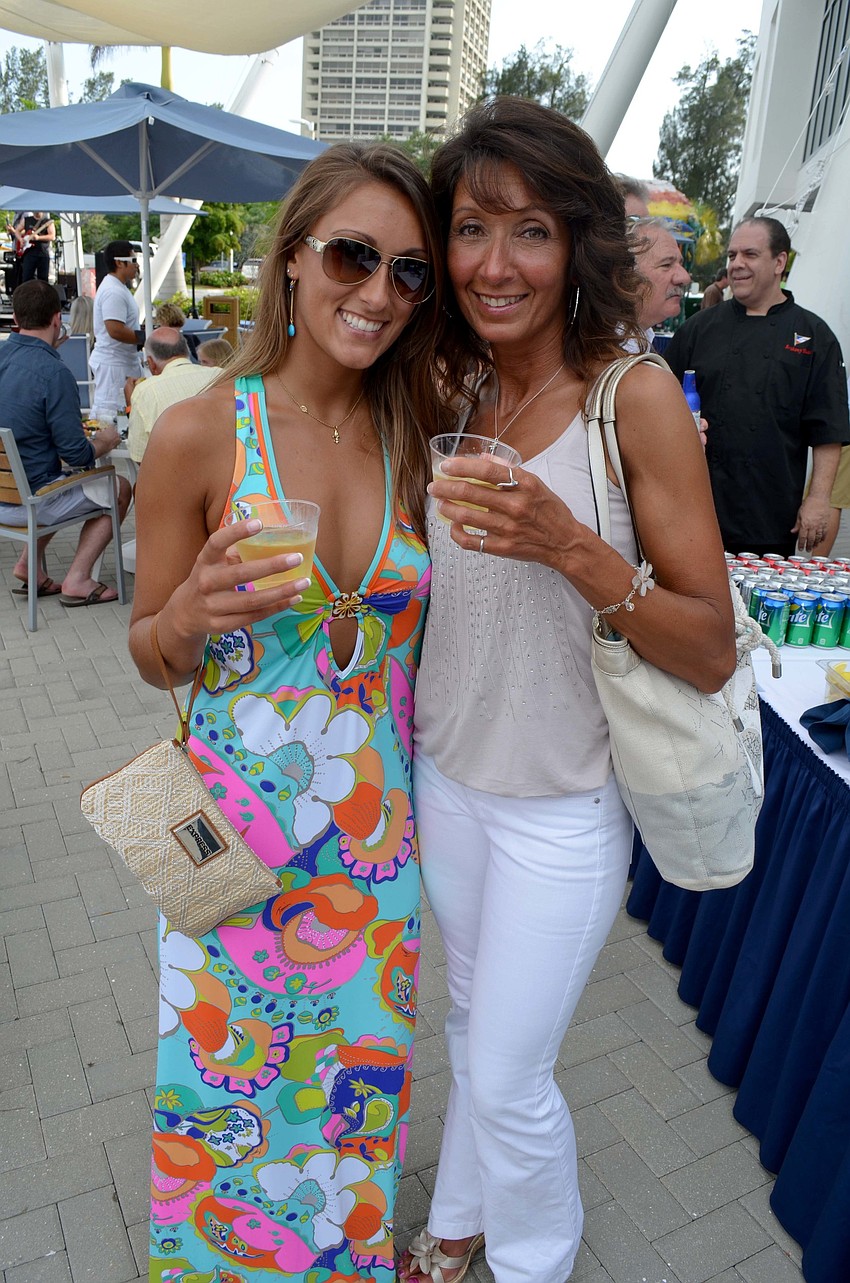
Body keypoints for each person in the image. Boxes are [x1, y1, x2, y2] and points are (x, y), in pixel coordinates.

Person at [402, 97, 735, 1283]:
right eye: (473, 228)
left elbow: (708, 646)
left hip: (562, 804)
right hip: (446, 775)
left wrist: (570, 545)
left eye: (531, 231)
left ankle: (533, 1258)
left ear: (578, 245)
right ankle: (454, 1220)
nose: (497, 264)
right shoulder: (450, 390)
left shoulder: (628, 398)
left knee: (507, 1070)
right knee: (467, 1024)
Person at [127, 142, 451, 1282]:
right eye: (353, 256)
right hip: (232, 849)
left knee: (352, 1122)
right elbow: (150, 655)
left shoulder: (416, 434)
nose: (376, 293)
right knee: (225, 1103)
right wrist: (190, 615)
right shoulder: (203, 431)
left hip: (372, 856)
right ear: (294, 260)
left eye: (409, 273)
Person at [666, 216, 850, 556]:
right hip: (695, 508)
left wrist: (819, 499)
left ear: (779, 262)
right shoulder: (699, 329)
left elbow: (828, 429)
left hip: (771, 513)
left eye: (749, 254)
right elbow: (661, 406)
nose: (736, 264)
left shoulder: (814, 335)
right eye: (732, 255)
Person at [0, 281, 131, 604]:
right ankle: (79, 578)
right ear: (58, 320)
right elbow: (77, 455)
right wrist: (105, 441)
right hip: (30, 501)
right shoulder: (54, 373)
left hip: (8, 490)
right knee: (119, 487)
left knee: (56, 476)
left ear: (15, 316)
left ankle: (29, 565)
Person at [126, 327, 218, 463]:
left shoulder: (145, 390)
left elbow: (140, 457)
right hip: (226, 475)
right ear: (186, 351)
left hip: (175, 477)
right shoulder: (221, 375)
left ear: (151, 363)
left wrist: (130, 404)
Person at [90, 239, 143, 422]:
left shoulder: (118, 288)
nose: (137, 266)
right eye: (134, 260)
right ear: (119, 262)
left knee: (125, 415)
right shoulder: (113, 291)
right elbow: (115, 330)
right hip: (114, 366)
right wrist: (145, 338)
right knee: (111, 416)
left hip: (121, 364)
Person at [629, 217, 691, 338]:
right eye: (666, 264)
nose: (685, 277)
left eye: (680, 264)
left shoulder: (641, 339)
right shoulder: (597, 351)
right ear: (625, 274)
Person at [16, 210, 55, 283]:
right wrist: (21, 239)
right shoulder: (26, 220)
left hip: (43, 253)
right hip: (29, 253)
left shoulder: (47, 221)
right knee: (27, 278)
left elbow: (52, 236)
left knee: (43, 279)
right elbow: (17, 230)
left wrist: (39, 238)